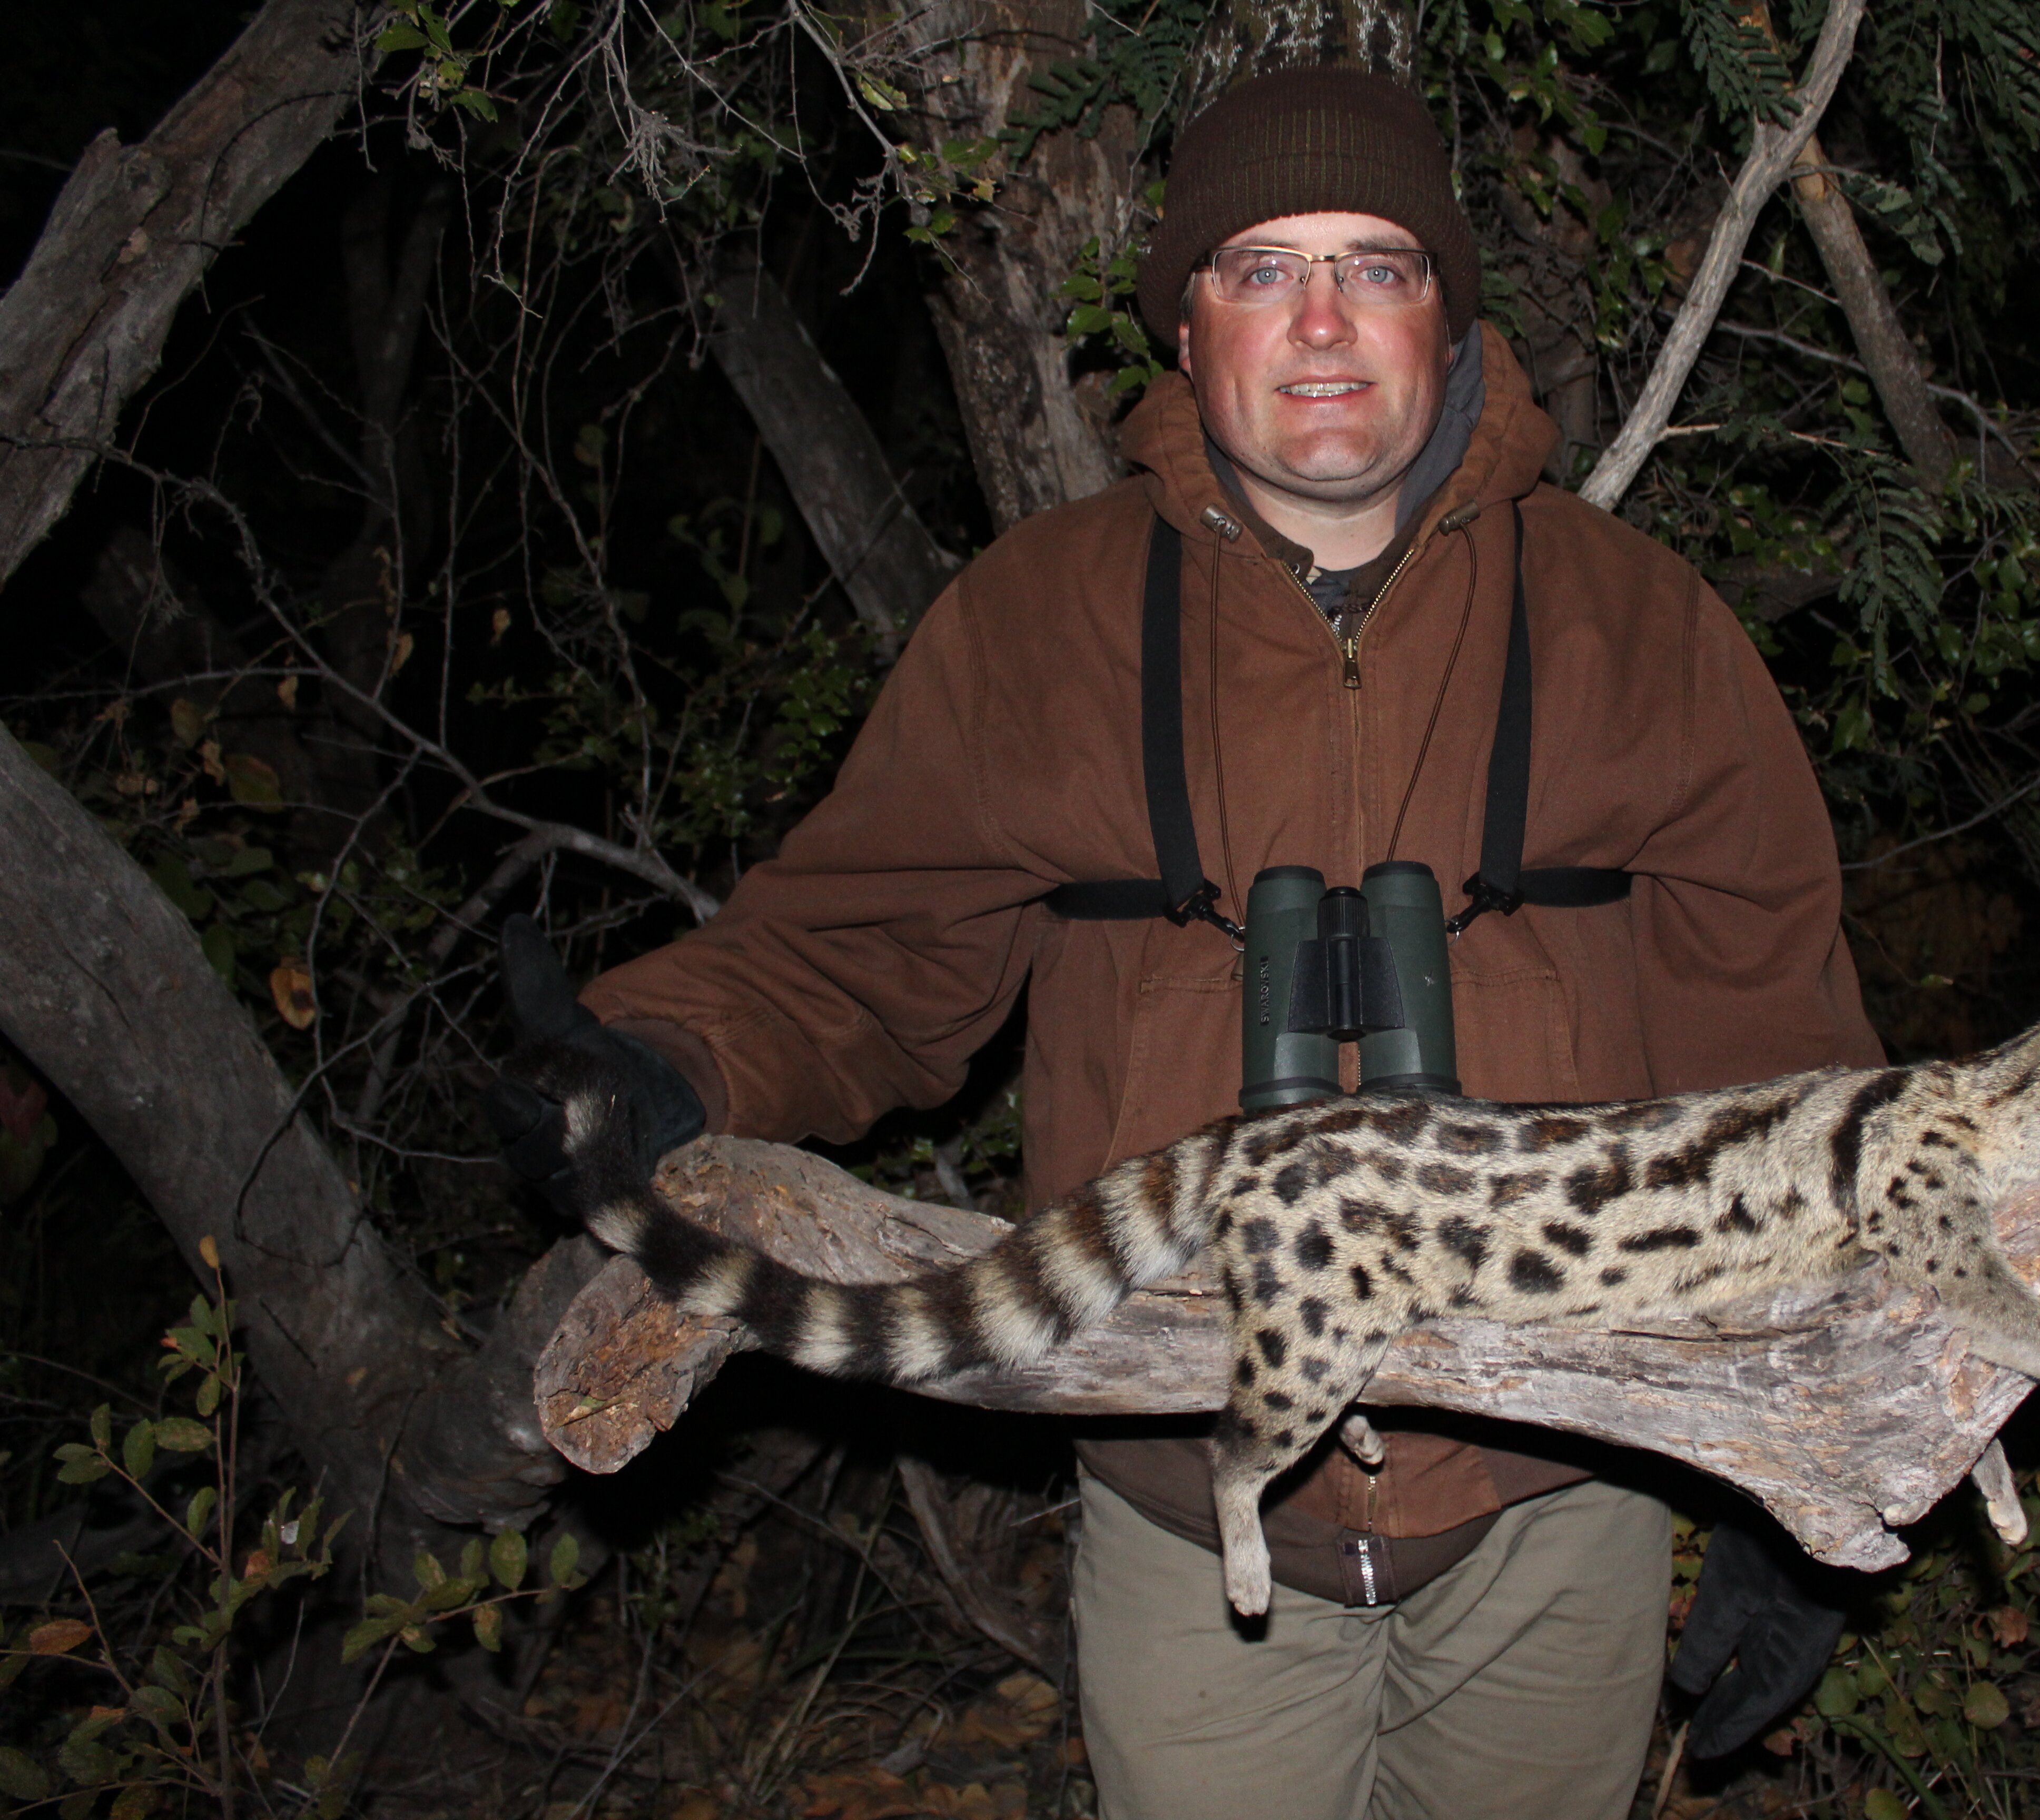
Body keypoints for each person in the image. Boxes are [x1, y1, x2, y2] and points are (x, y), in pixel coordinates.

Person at [491, 65, 1881, 1820]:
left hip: (1562, 1498)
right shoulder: (1041, 624)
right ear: (1185, 324)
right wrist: (655, 1059)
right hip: (1176, 1492)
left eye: (1376, 267)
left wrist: (1804, 1470)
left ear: (1447, 316)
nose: (1320, 322)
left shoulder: (1636, 627)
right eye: (1259, 269)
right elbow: (856, 955)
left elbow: (1797, 1095)